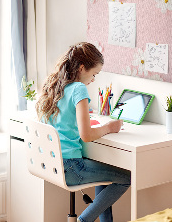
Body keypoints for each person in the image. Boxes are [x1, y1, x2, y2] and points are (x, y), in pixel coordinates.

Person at [36, 42, 131, 222]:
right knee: (126, 177)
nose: (94, 79)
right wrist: (110, 127)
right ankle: (85, 219)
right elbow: (86, 135)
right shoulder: (79, 89)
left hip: (53, 163)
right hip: (71, 167)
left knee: (105, 176)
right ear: (81, 68)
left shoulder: (54, 85)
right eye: (94, 74)